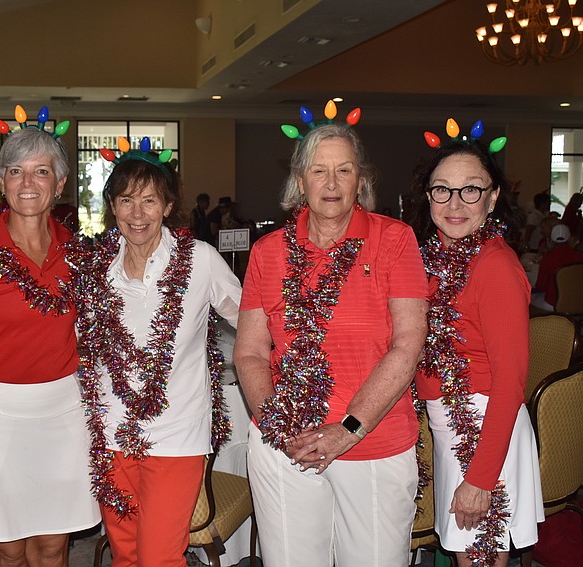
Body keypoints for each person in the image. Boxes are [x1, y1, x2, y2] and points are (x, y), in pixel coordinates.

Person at [234, 103, 429, 566]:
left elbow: (408, 346)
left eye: (344, 170)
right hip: (286, 444)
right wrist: (279, 426)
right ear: (300, 181)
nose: (331, 183)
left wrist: (348, 429)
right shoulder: (268, 252)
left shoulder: (395, 240)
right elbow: (250, 353)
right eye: (319, 171)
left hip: (373, 443)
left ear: (361, 180)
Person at [77, 139, 241, 566]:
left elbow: (250, 319)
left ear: (167, 206)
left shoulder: (200, 260)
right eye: (126, 200)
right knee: (126, 554)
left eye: (149, 200)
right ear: (112, 206)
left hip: (177, 435)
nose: (137, 213)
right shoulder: (95, 270)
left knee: (159, 557)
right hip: (113, 434)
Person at [0, 106, 99, 567]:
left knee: (53, 547)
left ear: (60, 184)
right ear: (2, 182)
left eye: (41, 171)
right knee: (8, 547)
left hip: (64, 412)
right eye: (15, 171)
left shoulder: (79, 255)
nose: (27, 183)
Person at [407, 123, 543, 567]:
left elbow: (510, 383)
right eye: (442, 190)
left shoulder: (495, 266)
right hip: (451, 425)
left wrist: (481, 478)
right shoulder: (435, 260)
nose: (455, 204)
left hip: (484, 431)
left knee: (478, 558)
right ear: (428, 197)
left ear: (493, 197)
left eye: (470, 190)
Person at [533, 223, 583, 311]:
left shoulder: (548, 258)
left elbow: (540, 286)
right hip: (578, 303)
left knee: (528, 298)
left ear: (551, 239)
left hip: (554, 304)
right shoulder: (580, 256)